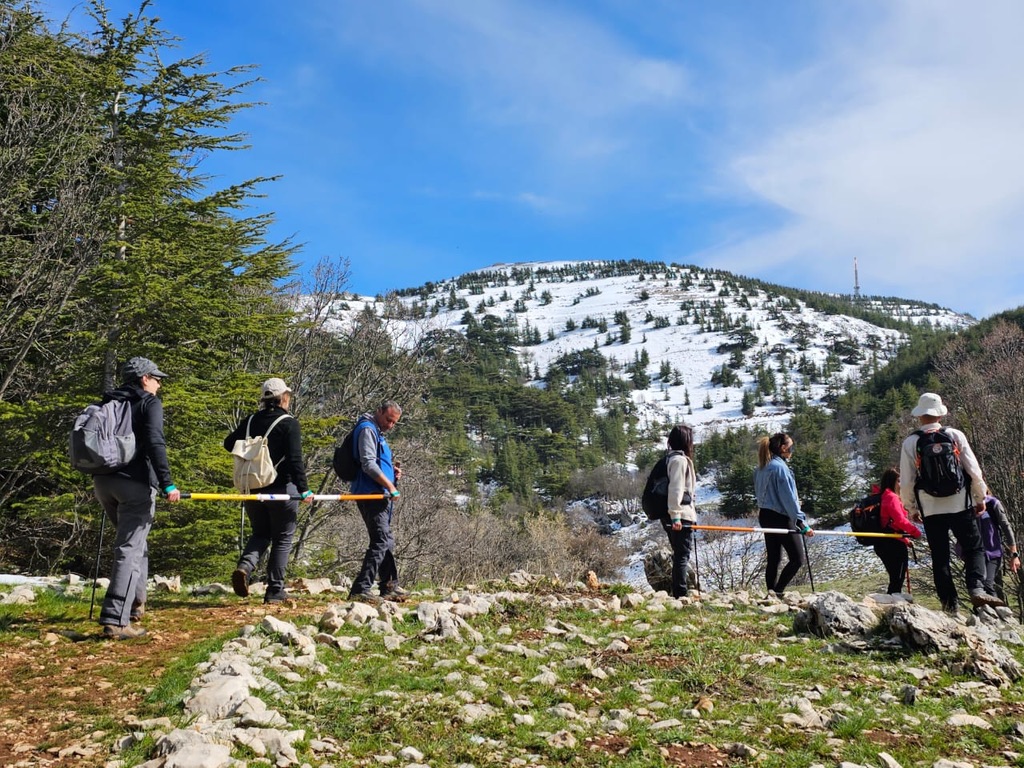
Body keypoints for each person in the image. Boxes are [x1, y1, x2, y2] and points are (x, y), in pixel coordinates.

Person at [95, 357, 180, 639]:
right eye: (157, 378)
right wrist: (167, 484)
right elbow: (156, 441)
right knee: (129, 549)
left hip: (104, 481)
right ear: (144, 378)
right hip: (135, 484)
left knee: (134, 544)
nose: (159, 383)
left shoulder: (109, 401)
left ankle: (135, 606)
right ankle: (115, 619)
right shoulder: (149, 402)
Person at [899, 392, 1002, 613]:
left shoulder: (911, 442)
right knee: (974, 548)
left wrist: (911, 508)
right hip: (960, 503)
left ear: (920, 416)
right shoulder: (955, 435)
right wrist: (979, 497)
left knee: (940, 555)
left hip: (930, 507)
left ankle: (949, 603)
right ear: (940, 415)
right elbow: (974, 471)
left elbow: (906, 481)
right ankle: (976, 589)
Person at [224, 378, 312, 604]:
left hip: (252, 487)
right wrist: (304, 490)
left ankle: (245, 566)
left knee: (260, 533)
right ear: (283, 397)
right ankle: (275, 590)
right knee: (282, 538)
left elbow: (228, 443)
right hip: (282, 489)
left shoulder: (251, 420)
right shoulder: (288, 423)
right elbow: (295, 460)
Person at [348, 401, 405, 604]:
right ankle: (361, 587)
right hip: (370, 494)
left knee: (386, 539)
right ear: (379, 412)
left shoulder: (377, 431)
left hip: (379, 494)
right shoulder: (367, 429)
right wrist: (390, 485)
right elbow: (368, 464)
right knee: (380, 540)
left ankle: (389, 585)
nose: (390, 425)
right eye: (388, 420)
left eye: (394, 423)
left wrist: (392, 474)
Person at [754, 432, 814, 599]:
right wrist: (802, 523)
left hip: (764, 515)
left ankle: (771, 594)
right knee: (797, 559)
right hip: (779, 516)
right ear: (783, 448)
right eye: (791, 446)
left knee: (774, 558)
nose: (792, 450)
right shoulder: (780, 468)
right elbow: (788, 499)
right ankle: (778, 591)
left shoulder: (761, 467)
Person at [955, 489, 1019, 603]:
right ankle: (982, 617)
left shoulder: (993, 504)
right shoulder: (964, 505)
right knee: (976, 587)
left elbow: (1006, 527)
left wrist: (1014, 554)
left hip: (993, 553)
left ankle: (997, 616)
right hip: (973, 554)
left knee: (987, 584)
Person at [660, 425, 698, 598]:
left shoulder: (670, 459)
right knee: (682, 555)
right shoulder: (679, 461)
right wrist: (676, 516)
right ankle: (680, 594)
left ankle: (679, 592)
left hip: (674, 514)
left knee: (680, 554)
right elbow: (676, 489)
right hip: (680, 515)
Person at [872, 468, 922, 595]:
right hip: (892, 545)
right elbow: (900, 521)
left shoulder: (883, 496)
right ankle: (894, 604)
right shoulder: (891, 497)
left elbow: (890, 525)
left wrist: (905, 540)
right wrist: (916, 532)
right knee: (897, 578)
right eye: (899, 481)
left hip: (883, 543)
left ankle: (893, 601)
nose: (901, 484)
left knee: (896, 577)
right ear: (893, 482)